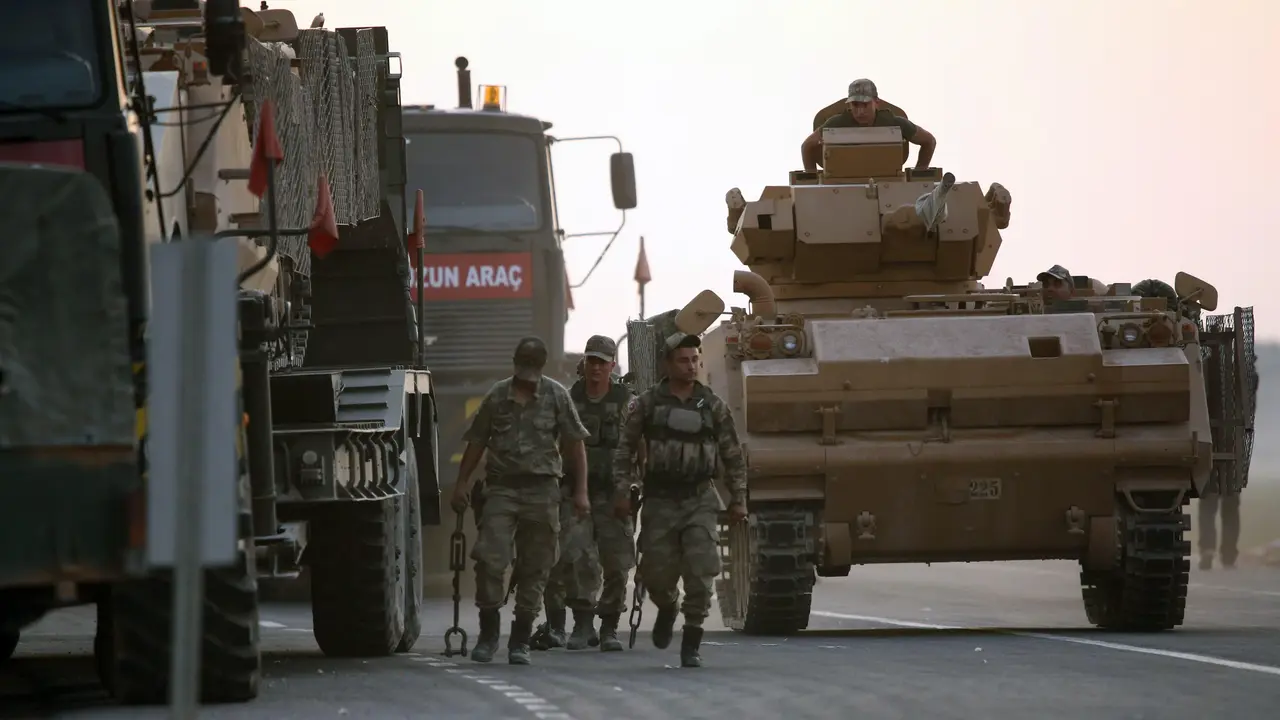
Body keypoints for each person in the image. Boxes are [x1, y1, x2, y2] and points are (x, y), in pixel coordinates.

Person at [450, 336, 590, 665]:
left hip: (543, 492)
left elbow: (574, 446)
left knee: (536, 566)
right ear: (515, 365)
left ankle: (520, 639)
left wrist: (581, 491)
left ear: (540, 368)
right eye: (522, 367)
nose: (526, 376)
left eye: (532, 368)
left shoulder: (556, 395)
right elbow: (477, 440)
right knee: (489, 559)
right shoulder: (498, 396)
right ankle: (488, 634)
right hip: (501, 489)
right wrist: (462, 484)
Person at [612, 331, 748, 668]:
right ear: (668, 364)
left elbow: (732, 455)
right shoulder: (647, 404)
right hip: (659, 499)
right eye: (683, 360)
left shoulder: (712, 405)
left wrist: (738, 499)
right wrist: (621, 489)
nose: (691, 367)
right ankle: (668, 605)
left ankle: (691, 640)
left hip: (700, 498)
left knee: (701, 571)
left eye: (695, 360)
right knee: (657, 573)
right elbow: (624, 450)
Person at [543, 335, 638, 652]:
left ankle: (609, 627)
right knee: (577, 555)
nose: (596, 367)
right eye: (591, 361)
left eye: (602, 362)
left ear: (613, 365)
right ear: (584, 364)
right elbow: (553, 445)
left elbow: (641, 446)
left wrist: (634, 488)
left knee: (617, 562)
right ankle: (582, 625)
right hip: (576, 493)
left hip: (615, 494)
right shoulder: (569, 400)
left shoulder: (627, 402)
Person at [801, 78, 937, 173]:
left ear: (876, 102)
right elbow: (807, 146)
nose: (860, 111)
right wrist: (812, 179)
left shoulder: (894, 122)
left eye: (865, 105)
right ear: (849, 105)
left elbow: (928, 141)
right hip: (841, 183)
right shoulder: (835, 123)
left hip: (886, 182)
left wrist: (920, 172)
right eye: (855, 105)